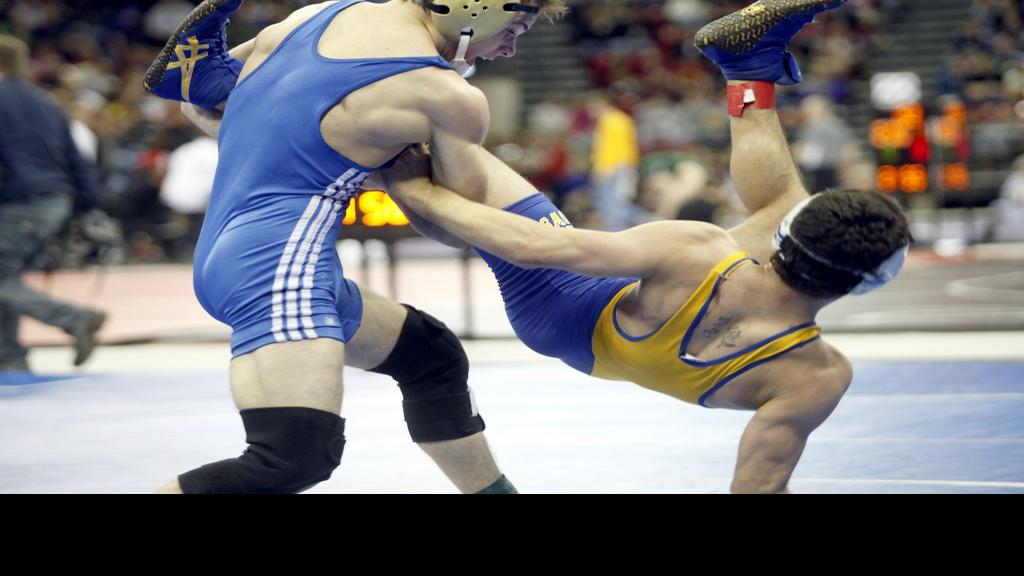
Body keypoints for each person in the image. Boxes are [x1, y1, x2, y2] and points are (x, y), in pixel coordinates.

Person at [380, 0, 911, 493]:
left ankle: (382, 124)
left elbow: (533, 247)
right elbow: (758, 485)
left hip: (567, 301)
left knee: (451, 146)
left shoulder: (697, 250)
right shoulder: (817, 376)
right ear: (868, 283)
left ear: (792, 236)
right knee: (779, 199)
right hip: (587, 340)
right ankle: (749, 64)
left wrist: (412, 188)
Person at [142, 0, 567, 494]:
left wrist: (316, 146)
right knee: (290, 457)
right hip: (281, 269)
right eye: (515, 28)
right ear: (477, 9)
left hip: (236, 249)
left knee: (430, 356)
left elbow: (198, 105)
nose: (512, 49)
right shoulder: (444, 93)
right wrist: (405, 185)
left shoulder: (322, 13)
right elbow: (457, 228)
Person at [0, 34, 107, 374]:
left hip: (19, 200)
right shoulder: (46, 102)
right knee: (7, 278)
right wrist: (87, 207)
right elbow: (77, 161)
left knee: (2, 277)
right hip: (56, 200)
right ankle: (11, 357)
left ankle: (76, 319)